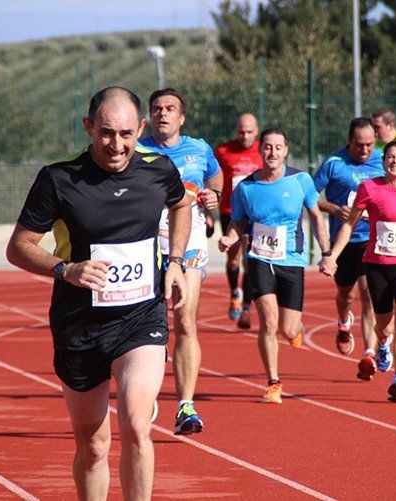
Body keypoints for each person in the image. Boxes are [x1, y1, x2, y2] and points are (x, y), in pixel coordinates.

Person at [6, 86, 191, 500]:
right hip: (80, 324)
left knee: (136, 426)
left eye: (126, 133)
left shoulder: (158, 169)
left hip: (141, 317)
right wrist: (65, 269)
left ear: (141, 129)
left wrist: (175, 261)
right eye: (107, 133)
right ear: (89, 128)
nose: (117, 144)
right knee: (93, 446)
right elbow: (18, 247)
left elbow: (181, 205)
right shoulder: (58, 179)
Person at [218, 127, 335, 404]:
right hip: (259, 259)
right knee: (268, 321)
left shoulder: (301, 181)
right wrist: (229, 238)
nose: (272, 152)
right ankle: (273, 382)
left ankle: (296, 330)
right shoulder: (246, 187)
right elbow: (238, 222)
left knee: (288, 328)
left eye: (278, 147)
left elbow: (317, 217)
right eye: (268, 147)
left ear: (285, 151)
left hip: (292, 261)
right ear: (261, 151)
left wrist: (327, 253)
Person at [327, 140, 396, 402]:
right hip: (377, 265)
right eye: (390, 156)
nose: (395, 162)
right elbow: (348, 225)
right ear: (384, 160)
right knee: (384, 327)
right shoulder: (369, 188)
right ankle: (381, 344)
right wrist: (333, 255)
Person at [137, 88, 223, 435]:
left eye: (170, 108)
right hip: (144, 243)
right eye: (157, 108)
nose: (163, 113)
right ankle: (147, 387)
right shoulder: (138, 150)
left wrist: (213, 199)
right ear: (149, 116)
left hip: (190, 241)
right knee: (147, 324)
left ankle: (186, 405)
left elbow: (215, 181)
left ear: (182, 118)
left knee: (185, 320)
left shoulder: (200, 149)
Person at [313, 117, 386, 381]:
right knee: (346, 295)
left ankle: (368, 353)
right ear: (349, 140)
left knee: (368, 295)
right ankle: (344, 323)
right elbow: (311, 198)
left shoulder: (382, 161)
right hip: (343, 242)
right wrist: (334, 209)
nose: (364, 150)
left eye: (369, 145)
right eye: (359, 145)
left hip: (372, 240)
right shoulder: (334, 164)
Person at [215, 113, 262, 329]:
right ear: (236, 131)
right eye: (241, 132)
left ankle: (245, 307)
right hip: (230, 212)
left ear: (257, 131)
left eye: (249, 132)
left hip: (255, 215)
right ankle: (234, 291)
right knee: (233, 260)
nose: (245, 136)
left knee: (249, 261)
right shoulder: (223, 152)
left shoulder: (263, 150)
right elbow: (213, 178)